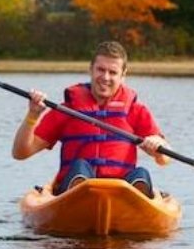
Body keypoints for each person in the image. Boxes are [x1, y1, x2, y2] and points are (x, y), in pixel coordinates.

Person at [11, 41, 170, 198]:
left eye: (113, 72)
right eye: (100, 70)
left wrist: (157, 146)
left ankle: (134, 202)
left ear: (123, 75)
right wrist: (33, 115)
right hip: (74, 191)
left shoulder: (136, 110)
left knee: (141, 174)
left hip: (121, 192)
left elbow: (165, 159)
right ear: (91, 70)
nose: (105, 77)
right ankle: (80, 194)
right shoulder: (67, 109)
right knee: (80, 168)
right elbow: (20, 153)